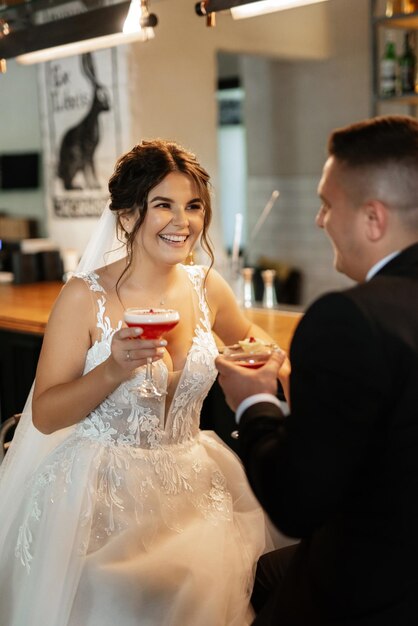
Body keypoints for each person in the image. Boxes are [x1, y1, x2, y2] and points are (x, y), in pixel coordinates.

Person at [0, 139, 276, 626]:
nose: (183, 222)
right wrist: (112, 369)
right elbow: (44, 414)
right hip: (99, 496)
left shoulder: (207, 286)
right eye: (163, 206)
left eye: (193, 206)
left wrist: (267, 362)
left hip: (194, 485)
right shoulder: (84, 297)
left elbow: (258, 345)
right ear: (127, 215)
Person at [216, 115, 418, 626]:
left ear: (373, 218)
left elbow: (296, 503)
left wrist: (256, 403)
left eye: (328, 204)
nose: (319, 220)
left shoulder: (348, 319)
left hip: (376, 592)